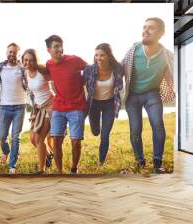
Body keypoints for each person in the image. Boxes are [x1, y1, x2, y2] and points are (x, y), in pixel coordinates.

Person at [121, 17, 175, 174]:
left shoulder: (167, 56)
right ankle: (140, 161)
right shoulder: (134, 51)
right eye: (144, 27)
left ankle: (158, 163)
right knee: (135, 129)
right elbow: (119, 69)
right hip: (133, 95)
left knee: (158, 124)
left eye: (151, 28)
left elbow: (174, 75)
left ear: (161, 33)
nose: (145, 30)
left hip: (152, 93)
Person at [45, 35, 87, 174]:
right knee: (56, 140)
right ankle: (59, 171)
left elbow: (91, 71)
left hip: (76, 106)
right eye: (55, 46)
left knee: (75, 141)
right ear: (49, 50)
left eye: (60, 45)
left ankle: (74, 169)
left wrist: (84, 83)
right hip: (59, 107)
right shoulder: (49, 64)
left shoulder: (74, 60)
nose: (59, 49)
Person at [83, 43, 123, 166]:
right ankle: (96, 130)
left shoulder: (117, 69)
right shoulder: (90, 69)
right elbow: (81, 84)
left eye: (102, 55)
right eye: (96, 55)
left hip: (109, 104)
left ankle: (101, 162)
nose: (98, 58)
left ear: (108, 56)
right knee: (96, 132)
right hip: (93, 104)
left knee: (105, 134)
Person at [0, 43, 27, 174]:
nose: (12, 54)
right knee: (2, 137)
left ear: (18, 54)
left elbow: (31, 84)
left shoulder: (23, 68)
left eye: (15, 52)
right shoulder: (0, 67)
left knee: (16, 136)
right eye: (10, 52)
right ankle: (6, 152)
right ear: (6, 53)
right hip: (4, 107)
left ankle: (12, 165)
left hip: (20, 107)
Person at [22, 49, 55, 174]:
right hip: (38, 107)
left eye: (31, 60)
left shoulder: (42, 71)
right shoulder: (26, 73)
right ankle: (49, 154)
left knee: (39, 139)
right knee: (32, 139)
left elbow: (58, 77)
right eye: (25, 60)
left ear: (35, 61)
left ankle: (42, 170)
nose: (28, 62)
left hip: (49, 106)